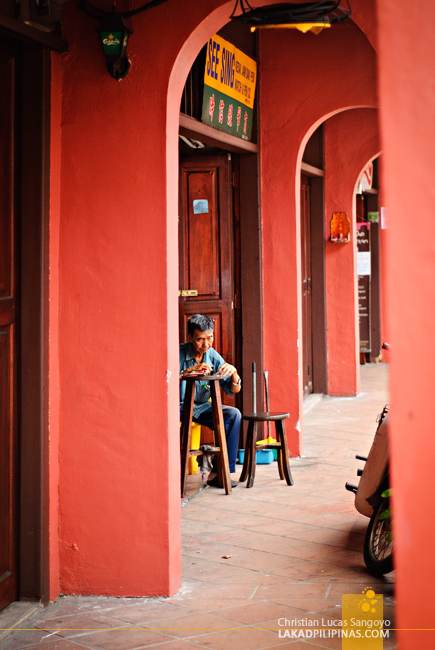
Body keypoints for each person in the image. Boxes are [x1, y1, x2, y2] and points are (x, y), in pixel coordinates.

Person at [180, 314, 241, 488]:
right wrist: (189, 372)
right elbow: (164, 382)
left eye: (210, 338)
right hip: (179, 407)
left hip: (201, 407)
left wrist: (234, 373)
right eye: (200, 339)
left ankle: (220, 472)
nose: (206, 344)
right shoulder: (179, 352)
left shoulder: (211, 354)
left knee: (233, 415)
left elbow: (232, 389)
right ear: (190, 337)